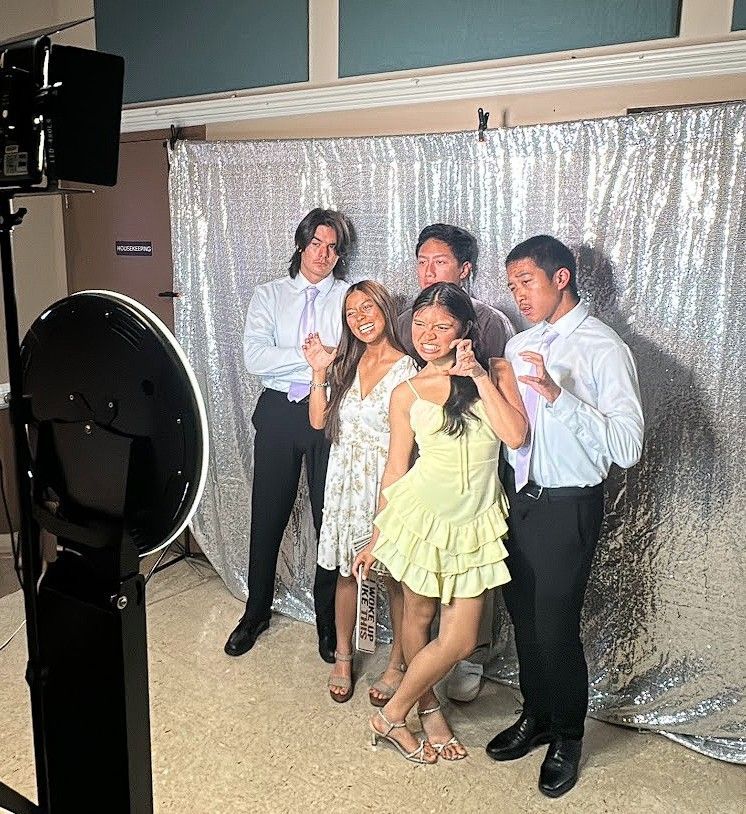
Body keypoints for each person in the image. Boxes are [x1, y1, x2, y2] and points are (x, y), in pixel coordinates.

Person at [486, 235, 643, 798]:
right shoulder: (521, 342)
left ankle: (568, 736)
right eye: (511, 286)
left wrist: (558, 397)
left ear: (561, 277)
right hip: (516, 498)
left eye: (526, 282)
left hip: (569, 504)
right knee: (523, 620)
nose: (518, 295)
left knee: (555, 628)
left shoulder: (604, 348)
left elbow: (627, 447)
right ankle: (537, 715)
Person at [354, 282, 527, 764]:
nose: (428, 334)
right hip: (422, 517)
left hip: (475, 523)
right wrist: (377, 535)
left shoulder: (497, 370)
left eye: (442, 325)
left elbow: (515, 435)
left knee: (463, 638)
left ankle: (392, 715)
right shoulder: (407, 391)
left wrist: (478, 376)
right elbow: (396, 468)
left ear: (464, 329)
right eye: (421, 324)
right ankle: (427, 710)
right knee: (418, 618)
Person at [224, 208, 357, 663]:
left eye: (333, 247)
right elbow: (255, 359)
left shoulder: (348, 297)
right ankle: (255, 611)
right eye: (316, 243)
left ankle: (326, 624)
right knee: (267, 515)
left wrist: (326, 364)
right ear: (301, 244)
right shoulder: (269, 294)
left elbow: (354, 358)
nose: (324, 254)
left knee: (328, 520)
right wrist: (318, 360)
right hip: (280, 411)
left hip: (331, 412)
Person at [398, 223, 516, 703]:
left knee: (470, 587)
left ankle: (464, 657)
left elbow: (509, 415)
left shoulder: (492, 324)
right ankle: (417, 688)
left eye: (439, 262)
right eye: (422, 261)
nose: (428, 270)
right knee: (418, 593)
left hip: (480, 461)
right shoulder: (411, 317)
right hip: (432, 464)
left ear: (465, 270)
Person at [302, 281, 418, 703]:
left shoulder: (409, 369)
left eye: (368, 307)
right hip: (343, 482)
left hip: (386, 485)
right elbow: (319, 423)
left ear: (385, 309)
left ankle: (396, 664)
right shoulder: (345, 362)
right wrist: (318, 372)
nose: (360, 317)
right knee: (346, 573)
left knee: (393, 580)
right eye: (351, 311)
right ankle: (343, 656)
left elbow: (411, 445)